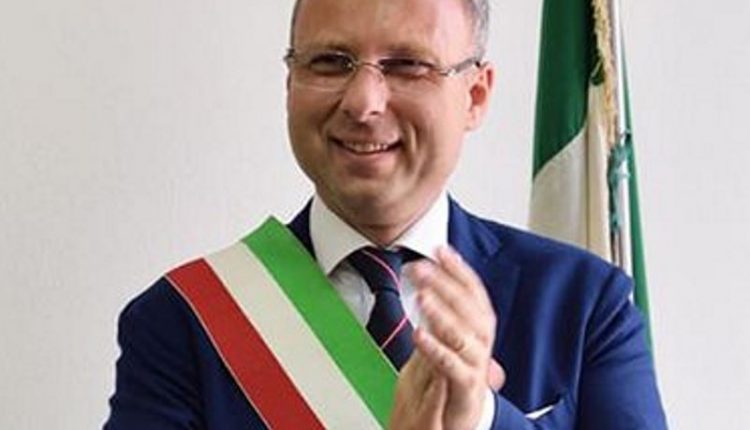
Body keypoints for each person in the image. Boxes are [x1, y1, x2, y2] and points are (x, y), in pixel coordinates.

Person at [104, 0, 668, 428]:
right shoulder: (183, 321)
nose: (363, 102)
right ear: (290, 84)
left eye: (406, 66)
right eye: (330, 62)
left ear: (475, 96)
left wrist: (480, 418)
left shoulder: (586, 303)